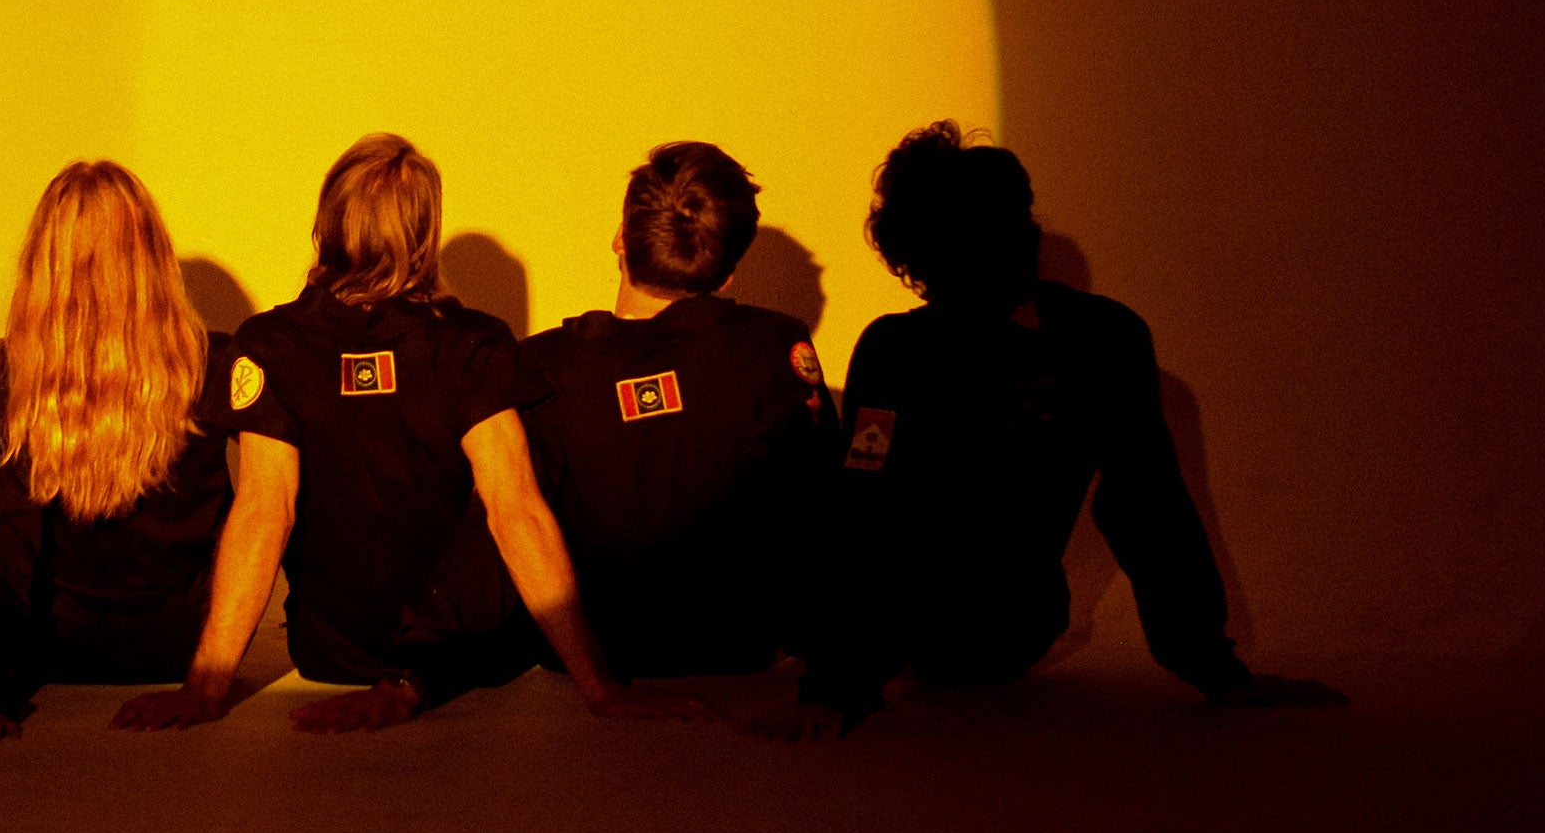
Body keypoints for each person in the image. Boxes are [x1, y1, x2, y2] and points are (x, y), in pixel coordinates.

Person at [115, 134, 710, 733]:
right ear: (425, 235)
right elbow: (516, 510)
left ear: (327, 225)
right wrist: (600, 687)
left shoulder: (271, 344)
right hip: (462, 657)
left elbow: (266, 511)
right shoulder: (471, 344)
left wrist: (206, 687)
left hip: (332, 655)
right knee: (518, 489)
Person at [769, 121, 1344, 740]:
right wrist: (839, 685)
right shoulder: (909, 349)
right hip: (957, 631)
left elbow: (1146, 501)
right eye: (988, 229)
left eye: (1011, 221)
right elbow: (864, 510)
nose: (1022, 237)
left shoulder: (1095, 339)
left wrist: (1217, 671)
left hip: (1005, 629)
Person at [0, 162, 236, 744]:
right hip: (181, 647)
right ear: (152, 253)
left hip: (49, 646)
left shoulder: (5, 370)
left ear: (42, 260)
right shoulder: (215, 363)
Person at [520, 142, 837, 681]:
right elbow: (818, 507)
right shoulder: (772, 347)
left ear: (620, 238)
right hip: (736, 655)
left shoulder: (543, 365)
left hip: (585, 666)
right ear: (728, 274)